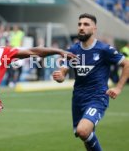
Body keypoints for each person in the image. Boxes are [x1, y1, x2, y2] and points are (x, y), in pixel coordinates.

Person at [52, 13, 129, 151]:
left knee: (83, 131)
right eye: (79, 24)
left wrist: (118, 88)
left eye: (86, 24)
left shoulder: (104, 49)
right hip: (78, 99)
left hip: (97, 97)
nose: (81, 27)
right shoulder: (73, 50)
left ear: (94, 29)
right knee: (84, 135)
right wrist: (61, 76)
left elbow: (126, 64)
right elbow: (63, 70)